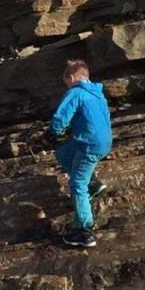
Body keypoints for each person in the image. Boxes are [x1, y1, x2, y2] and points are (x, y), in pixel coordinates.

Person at [49, 59, 112, 248]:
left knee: (77, 183)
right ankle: (92, 184)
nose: (67, 86)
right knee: (63, 153)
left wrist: (51, 133)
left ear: (71, 77)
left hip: (89, 144)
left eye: (66, 83)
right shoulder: (98, 94)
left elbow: (61, 116)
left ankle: (84, 231)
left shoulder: (76, 92)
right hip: (101, 141)